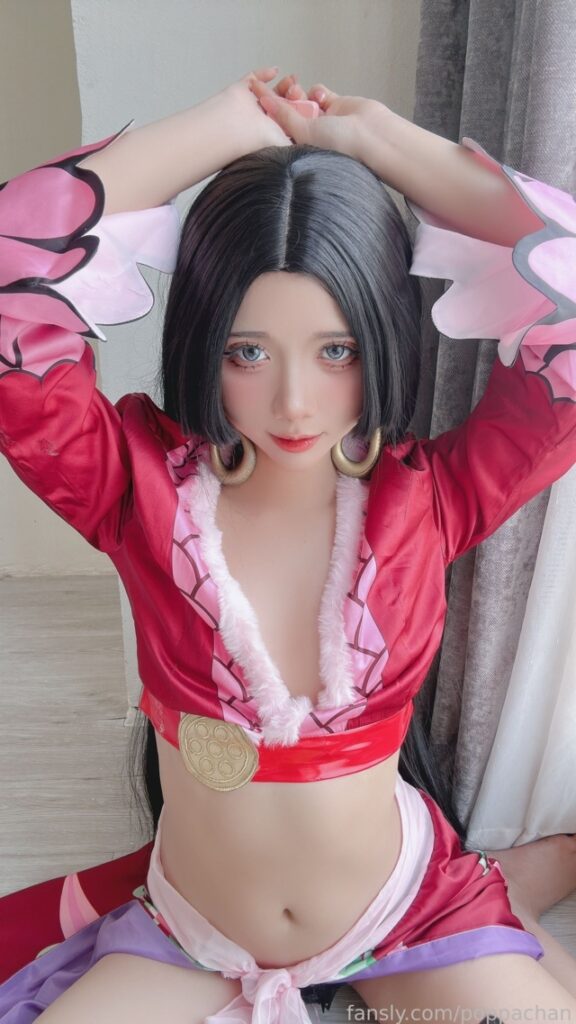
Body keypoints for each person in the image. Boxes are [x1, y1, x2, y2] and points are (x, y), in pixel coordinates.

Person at [0, 65, 575, 1022]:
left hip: (403, 916)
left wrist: (381, 141)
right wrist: (219, 129)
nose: (295, 402)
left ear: (381, 339)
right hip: (192, 931)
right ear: (204, 343)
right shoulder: (132, 489)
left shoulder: (434, 499)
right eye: (248, 352)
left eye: (336, 350)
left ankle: (498, 885)